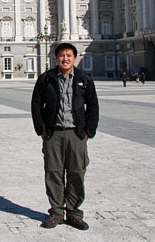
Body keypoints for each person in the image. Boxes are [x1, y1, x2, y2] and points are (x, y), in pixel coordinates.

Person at [31, 42, 99, 231]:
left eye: (69, 55)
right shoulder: (47, 79)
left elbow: (93, 106)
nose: (65, 58)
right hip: (54, 133)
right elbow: (36, 104)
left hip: (76, 134)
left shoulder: (84, 79)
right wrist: (41, 130)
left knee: (77, 172)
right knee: (53, 173)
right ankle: (56, 213)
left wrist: (88, 132)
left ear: (74, 58)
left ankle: (75, 214)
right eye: (62, 55)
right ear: (56, 58)